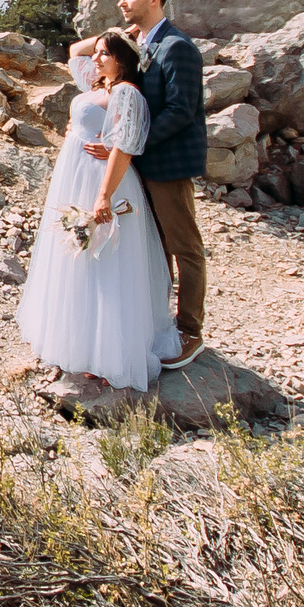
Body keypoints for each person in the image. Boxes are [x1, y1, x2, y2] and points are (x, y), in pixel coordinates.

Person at [17, 30, 181, 390]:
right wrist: (114, 34)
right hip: (74, 176)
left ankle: (109, 354)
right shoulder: (96, 83)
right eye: (99, 53)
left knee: (105, 261)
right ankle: (79, 344)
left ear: (122, 59)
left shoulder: (126, 92)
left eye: (105, 53)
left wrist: (104, 196)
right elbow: (76, 51)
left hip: (102, 182)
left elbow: (124, 146)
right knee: (77, 261)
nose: (96, 58)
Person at [108, 0, 209, 368]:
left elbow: (182, 110)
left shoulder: (177, 46)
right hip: (143, 166)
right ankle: (159, 324)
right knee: (154, 248)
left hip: (169, 164)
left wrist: (132, 143)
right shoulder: (143, 43)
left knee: (185, 248)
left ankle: (190, 332)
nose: (122, 2)